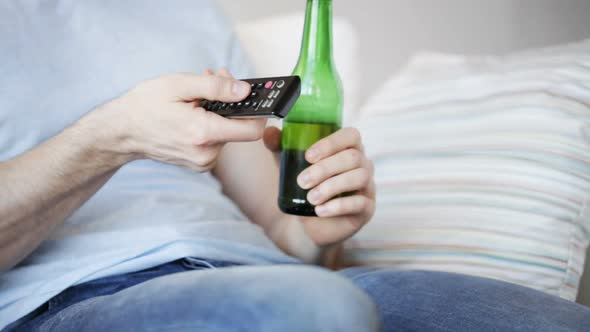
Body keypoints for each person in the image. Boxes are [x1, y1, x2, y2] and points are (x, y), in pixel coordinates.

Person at [1, 1, 589, 331]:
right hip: (73, 299)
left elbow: (278, 231)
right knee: (319, 312)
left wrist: (313, 233)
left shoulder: (187, 14)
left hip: (259, 270)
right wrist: (112, 136)